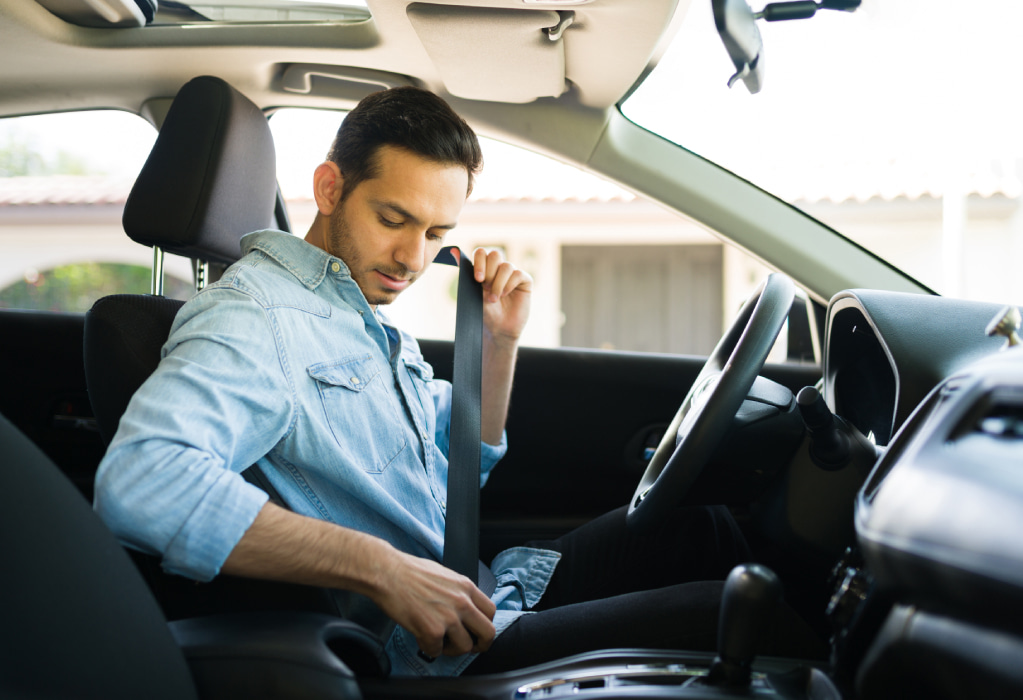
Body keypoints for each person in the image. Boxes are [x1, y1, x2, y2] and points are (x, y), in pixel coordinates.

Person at [95, 86, 815, 678]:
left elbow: (455, 482)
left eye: (438, 232)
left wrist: (497, 343)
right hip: (440, 653)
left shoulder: (352, 311)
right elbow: (143, 482)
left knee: (710, 534)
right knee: (762, 617)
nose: (412, 257)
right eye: (393, 219)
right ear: (328, 187)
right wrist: (381, 569)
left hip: (486, 587)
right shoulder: (254, 319)